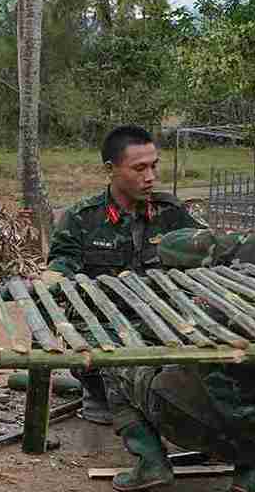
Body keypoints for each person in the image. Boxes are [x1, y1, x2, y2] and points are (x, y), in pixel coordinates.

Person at [99, 228, 255, 492]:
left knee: (115, 363)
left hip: (186, 422)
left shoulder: (201, 294)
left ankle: (150, 461)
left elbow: (149, 332)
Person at [45, 126, 203, 436]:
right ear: (110, 169)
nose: (150, 177)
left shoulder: (171, 214)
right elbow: (61, 266)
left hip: (162, 326)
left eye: (154, 166)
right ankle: (115, 403)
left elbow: (203, 254)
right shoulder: (82, 218)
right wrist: (50, 278)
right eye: (139, 168)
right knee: (110, 352)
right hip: (105, 330)